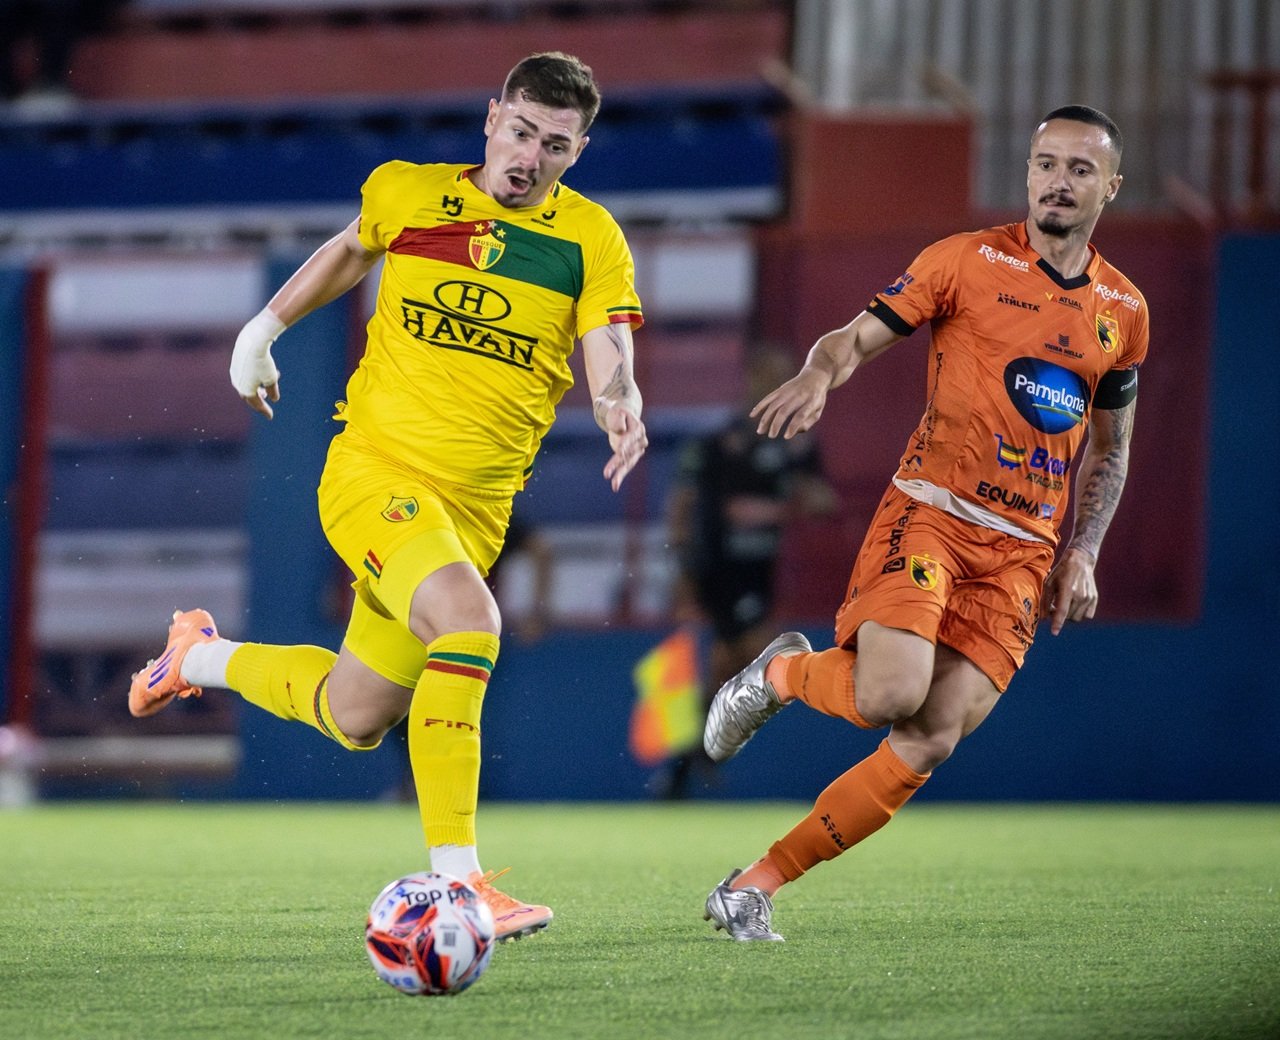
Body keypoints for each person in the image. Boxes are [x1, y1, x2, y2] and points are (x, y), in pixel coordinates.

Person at [127, 52, 647, 942]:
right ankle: (462, 885)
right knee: (471, 623)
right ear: (492, 118)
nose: (531, 157)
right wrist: (261, 330)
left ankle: (197, 659)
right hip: (375, 475)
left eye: (555, 146)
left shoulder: (590, 238)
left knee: (357, 713)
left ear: (578, 152)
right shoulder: (408, 191)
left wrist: (618, 399)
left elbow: (607, 340)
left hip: (473, 512)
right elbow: (349, 250)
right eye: (522, 132)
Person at [701, 105, 1147, 941]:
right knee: (890, 694)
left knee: (932, 736)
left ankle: (752, 887)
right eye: (1045, 163)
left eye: (1080, 169)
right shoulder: (965, 261)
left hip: (1023, 554)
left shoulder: (1123, 309)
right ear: (1028, 173)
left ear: (1110, 187)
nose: (1058, 181)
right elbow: (852, 338)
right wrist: (818, 374)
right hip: (933, 514)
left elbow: (1110, 449)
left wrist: (1083, 552)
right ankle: (780, 676)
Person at [661, 349, 836, 798]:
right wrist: (682, 563)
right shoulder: (720, 442)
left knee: (726, 665)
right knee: (754, 652)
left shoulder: (797, 445)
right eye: (769, 376)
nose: (777, 385)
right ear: (751, 379)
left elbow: (823, 501)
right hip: (720, 567)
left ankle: (685, 763)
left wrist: (790, 497)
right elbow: (686, 505)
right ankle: (699, 751)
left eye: (784, 377)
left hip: (761, 569)